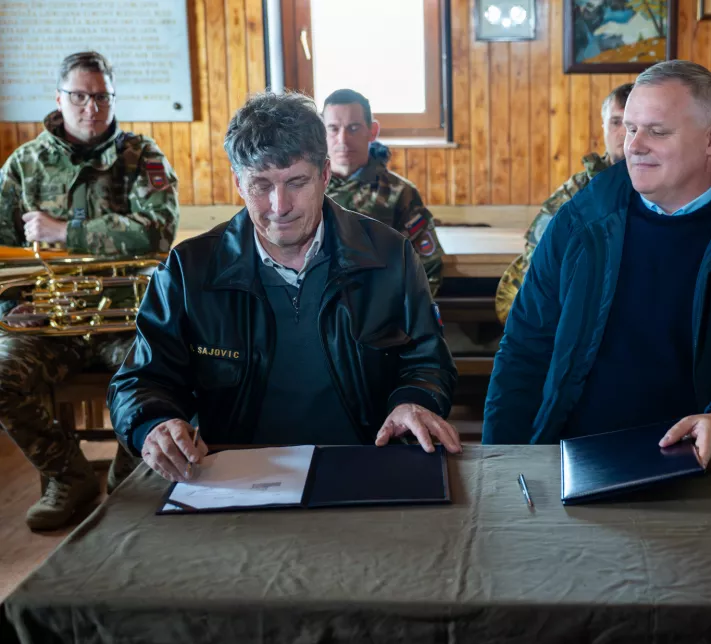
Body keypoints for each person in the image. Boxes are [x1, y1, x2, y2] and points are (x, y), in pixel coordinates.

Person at [482, 61, 711, 470]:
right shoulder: (578, 224)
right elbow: (523, 349)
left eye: (657, 131)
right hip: (577, 460)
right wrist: (499, 462)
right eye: (630, 129)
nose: (635, 145)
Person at [107, 92, 461, 483]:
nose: (280, 205)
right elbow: (140, 380)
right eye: (261, 185)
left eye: (296, 182)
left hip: (366, 460)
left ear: (324, 175)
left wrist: (414, 401)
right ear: (238, 183)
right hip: (234, 472)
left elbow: (427, 360)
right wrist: (154, 423)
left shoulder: (390, 256)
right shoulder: (189, 270)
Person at [0, 51, 179, 531]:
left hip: (125, 319)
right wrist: (9, 305)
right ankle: (69, 478)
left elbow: (157, 231)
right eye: (80, 95)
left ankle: (130, 477)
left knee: (160, 371)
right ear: (60, 98)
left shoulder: (143, 156)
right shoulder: (22, 166)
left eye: (101, 96)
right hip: (48, 324)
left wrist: (65, 232)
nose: (91, 107)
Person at [495, 82, 632, 324]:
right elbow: (537, 265)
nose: (624, 132)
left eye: (632, 123)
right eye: (616, 122)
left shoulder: (668, 186)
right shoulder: (577, 193)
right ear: (603, 126)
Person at [321, 89, 444, 296]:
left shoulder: (399, 193)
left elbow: (427, 267)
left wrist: (405, 321)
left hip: (379, 314)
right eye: (333, 128)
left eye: (353, 128)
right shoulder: (305, 189)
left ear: (373, 131)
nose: (342, 139)